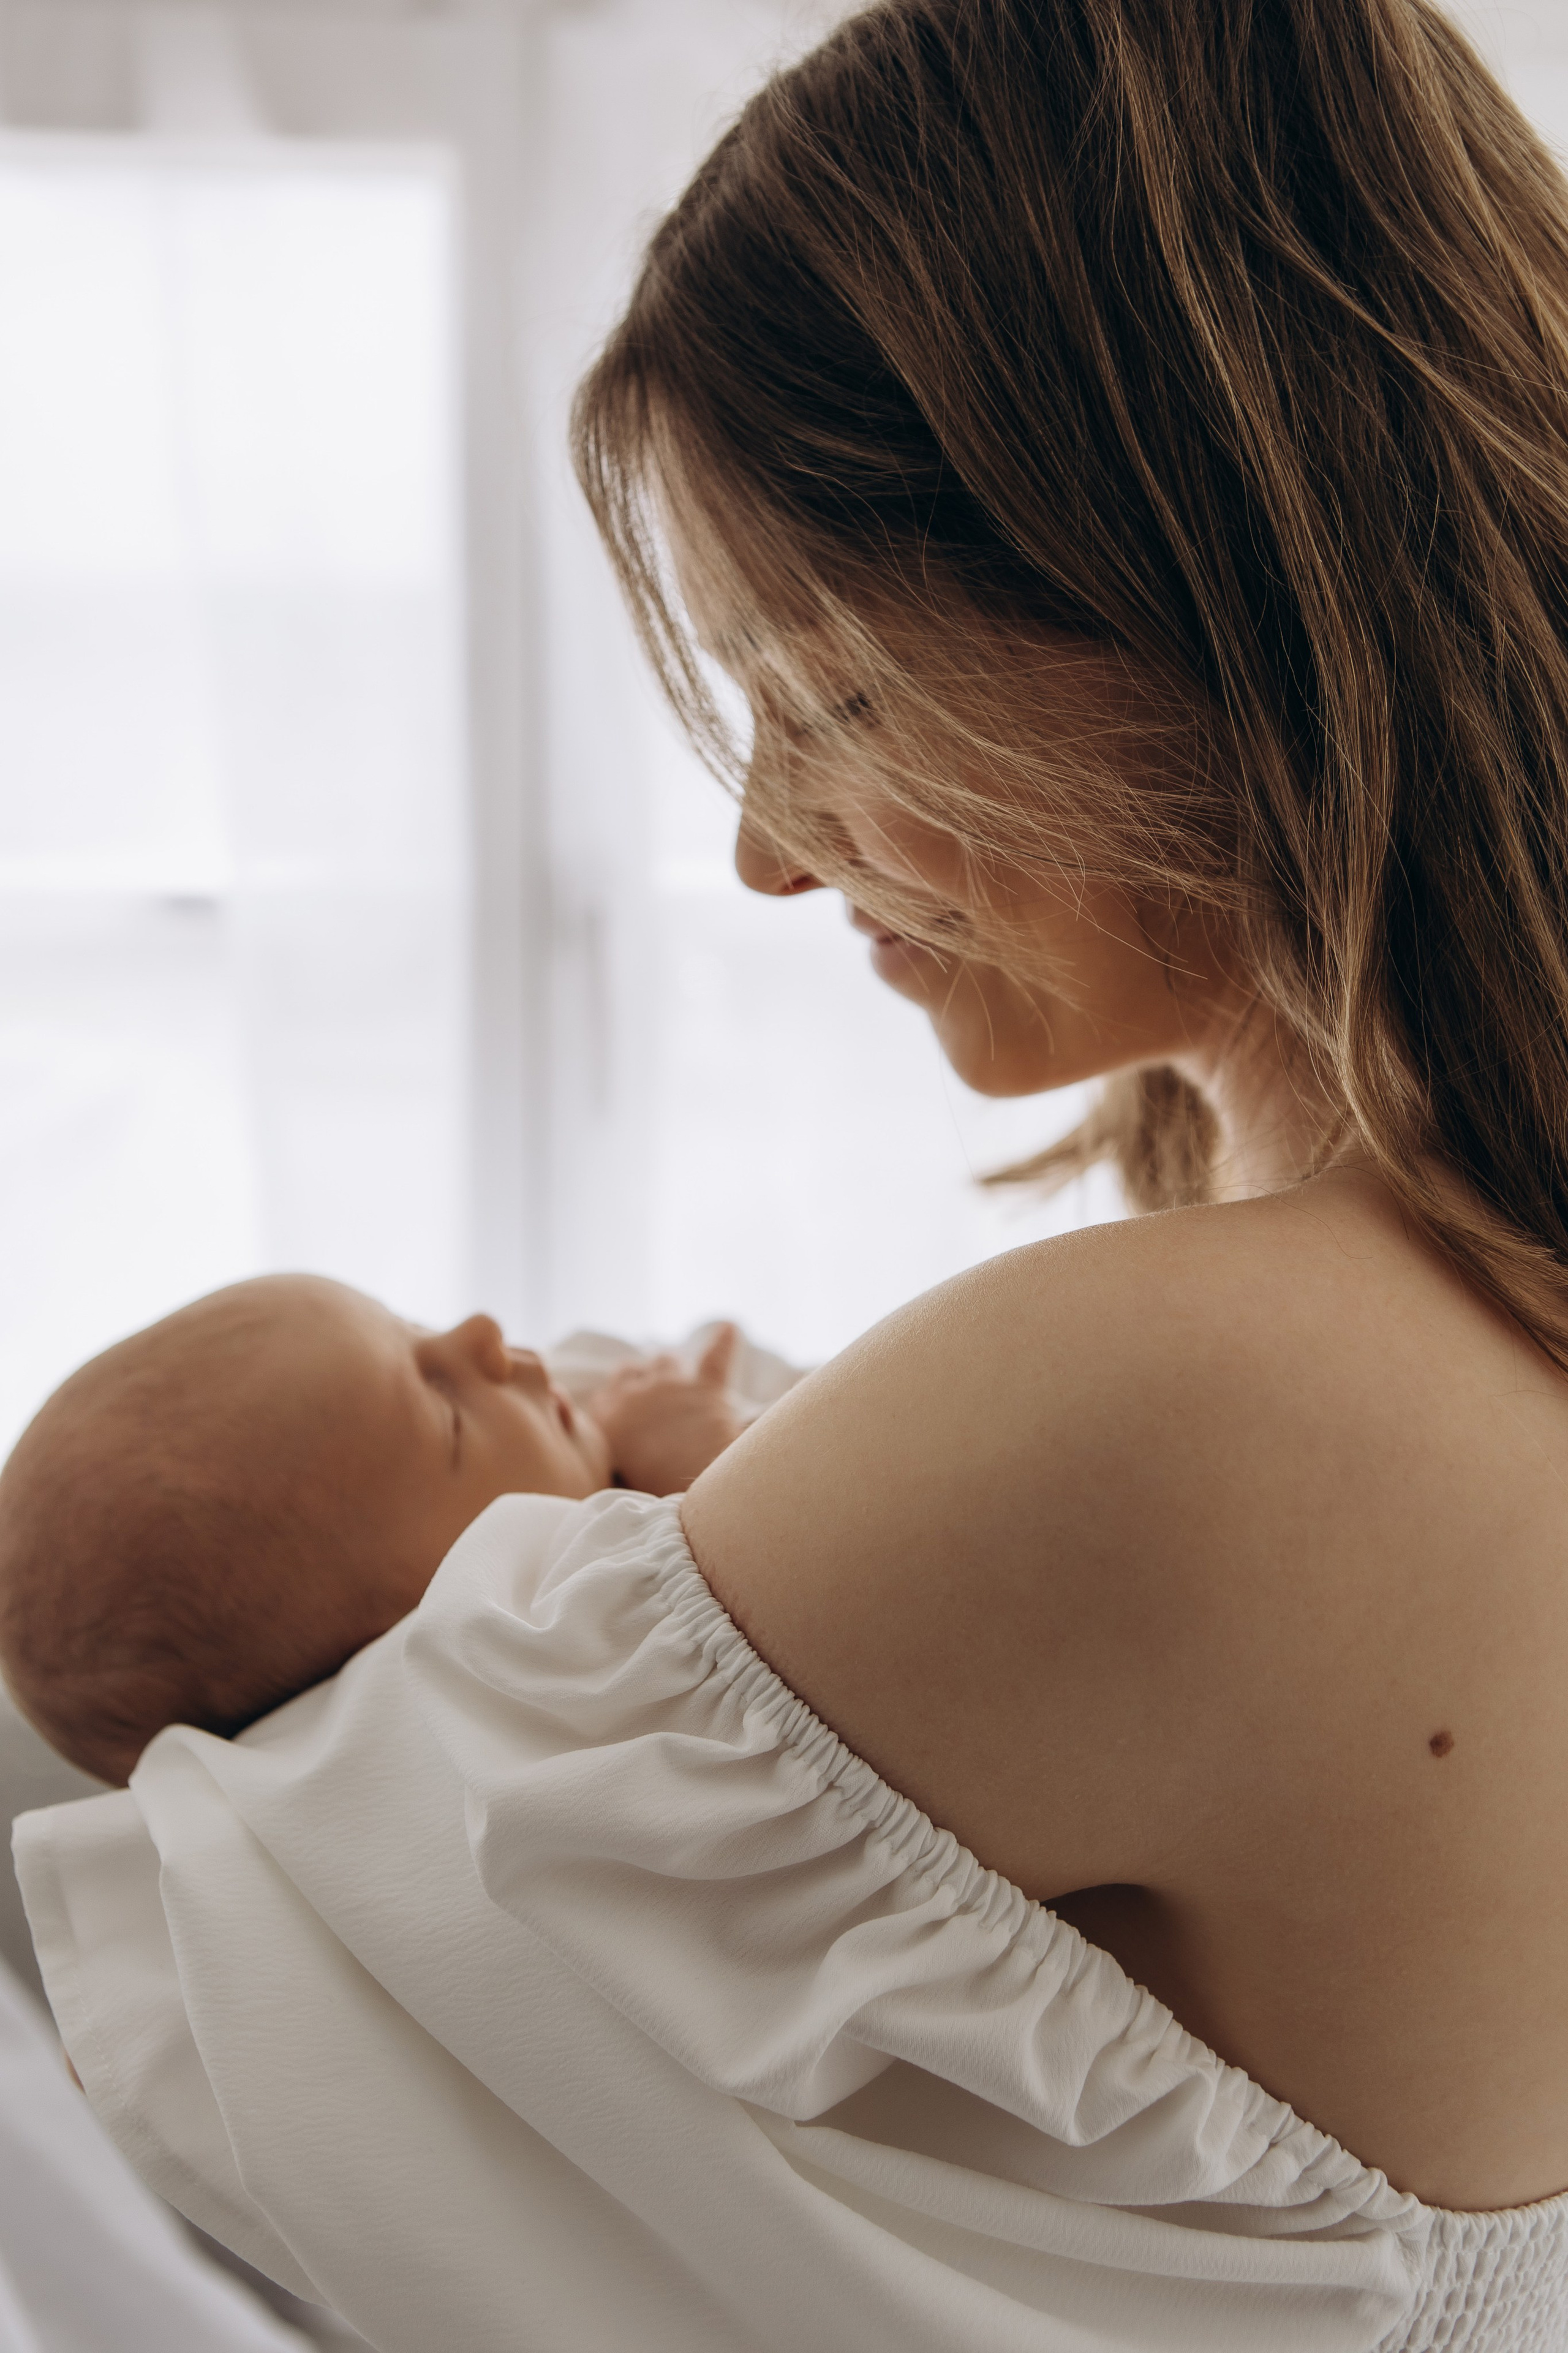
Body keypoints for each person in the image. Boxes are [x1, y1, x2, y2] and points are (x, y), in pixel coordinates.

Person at [13, 2, 1568, 2346]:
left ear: (1175, 583)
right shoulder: (1438, 1335)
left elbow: (205, 1962)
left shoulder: (1198, 1401)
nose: (755, 850)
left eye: (825, 697)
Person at [0, 1277, 745, 1785]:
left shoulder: (586, 1397)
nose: (480, 1336)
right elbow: (806, 1638)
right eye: (446, 1414)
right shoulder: (584, 1689)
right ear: (404, 1643)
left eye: (412, 1328)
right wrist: (708, 1471)